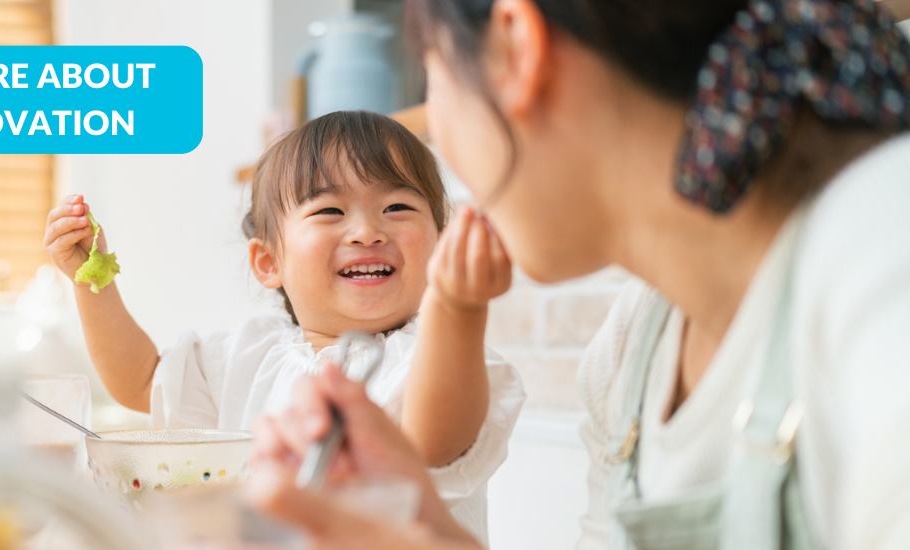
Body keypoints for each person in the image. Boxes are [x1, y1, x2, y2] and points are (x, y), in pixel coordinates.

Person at [245, 0, 910, 549]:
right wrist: (428, 529)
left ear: (515, 47)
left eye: (429, 74)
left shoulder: (884, 259)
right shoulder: (629, 356)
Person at [43, 110, 526, 543]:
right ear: (269, 261)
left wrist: (458, 308)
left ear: (440, 243)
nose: (367, 231)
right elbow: (143, 382)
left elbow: (433, 444)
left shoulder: (439, 360)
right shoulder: (247, 355)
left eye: (397, 207)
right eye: (330, 211)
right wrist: (93, 281)